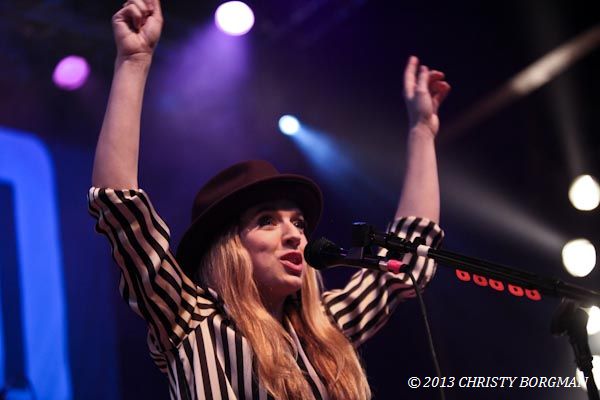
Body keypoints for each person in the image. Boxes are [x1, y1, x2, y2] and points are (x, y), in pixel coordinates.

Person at [88, 0, 450, 399]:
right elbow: (122, 210)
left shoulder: (324, 328)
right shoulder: (190, 319)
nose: (295, 235)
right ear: (229, 248)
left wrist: (422, 130)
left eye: (298, 222)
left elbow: (408, 254)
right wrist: (133, 61)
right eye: (267, 221)